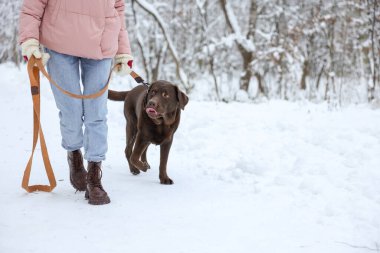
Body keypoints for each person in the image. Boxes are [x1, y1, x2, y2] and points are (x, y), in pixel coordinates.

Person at [19, 0, 133, 205]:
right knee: (70, 110)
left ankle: (94, 174)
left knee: (96, 112)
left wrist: (123, 51)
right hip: (59, 43)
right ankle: (74, 153)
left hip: (102, 45)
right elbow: (33, 6)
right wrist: (29, 40)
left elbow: (118, 9)